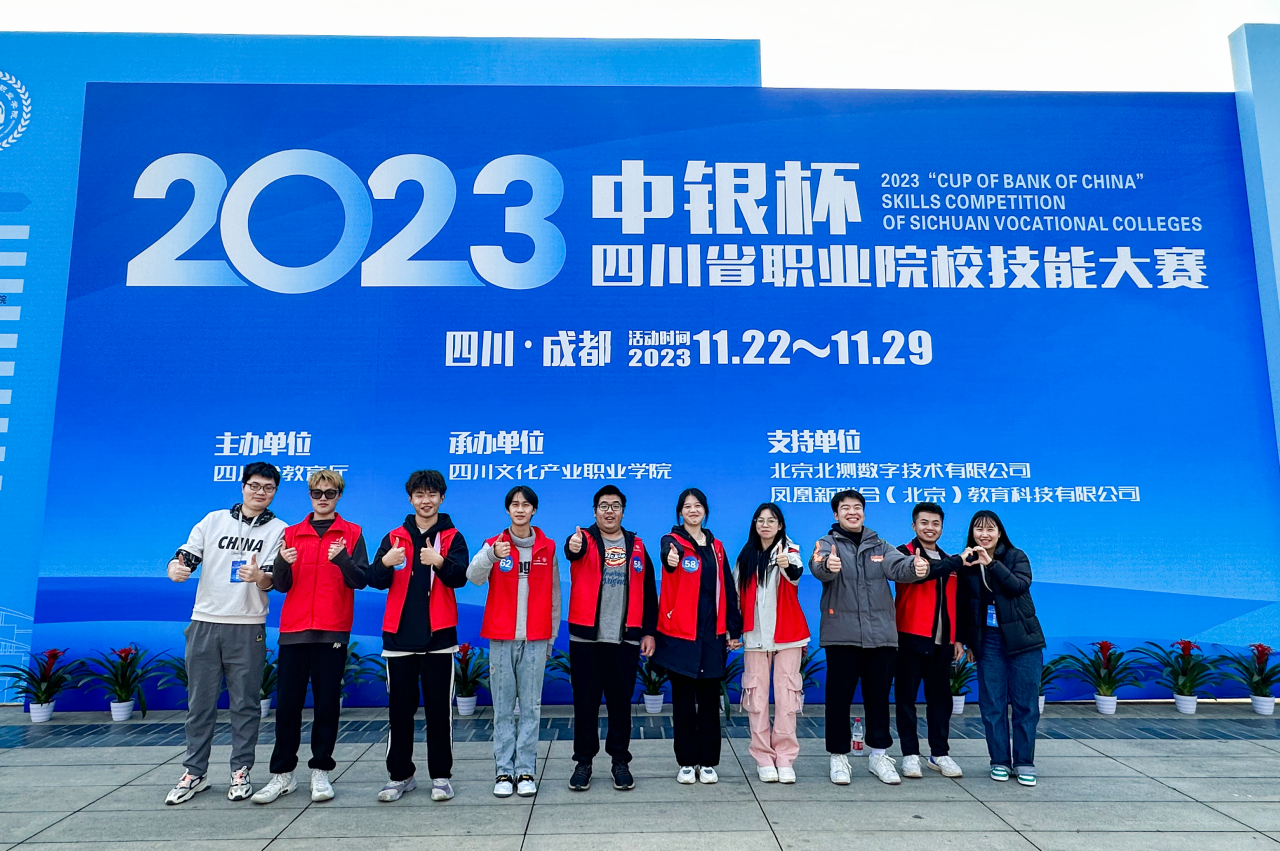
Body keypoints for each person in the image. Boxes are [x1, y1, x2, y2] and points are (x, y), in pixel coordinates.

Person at [163, 462, 287, 805]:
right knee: (199, 704)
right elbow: (185, 557)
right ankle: (194, 772)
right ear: (243, 486)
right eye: (255, 485)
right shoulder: (213, 520)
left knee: (245, 704)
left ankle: (241, 770)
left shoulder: (280, 529)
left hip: (248, 626)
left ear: (275, 492)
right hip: (205, 622)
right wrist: (176, 568)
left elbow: (272, 580)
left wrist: (258, 578)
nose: (260, 492)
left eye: (268, 488)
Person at [253, 469, 369, 804]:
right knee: (288, 706)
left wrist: (342, 559)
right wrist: (283, 563)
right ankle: (282, 775)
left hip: (332, 629)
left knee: (327, 704)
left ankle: (320, 770)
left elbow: (360, 580)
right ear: (310, 495)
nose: (323, 499)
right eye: (317, 493)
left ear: (339, 496)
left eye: (329, 493)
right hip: (294, 630)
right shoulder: (291, 534)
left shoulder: (352, 532)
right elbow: (281, 585)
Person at [808, 489, 929, 787]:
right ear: (836, 514)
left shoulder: (880, 545)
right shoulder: (827, 543)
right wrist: (827, 566)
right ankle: (839, 756)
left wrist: (915, 567)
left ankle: (879, 755)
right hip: (842, 636)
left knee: (878, 698)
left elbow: (898, 567)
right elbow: (818, 565)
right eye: (845, 508)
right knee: (838, 700)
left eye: (857, 507)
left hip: (881, 637)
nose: (852, 512)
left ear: (863, 512)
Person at [367, 469, 471, 803]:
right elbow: (375, 580)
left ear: (442, 498)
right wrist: (385, 562)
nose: (426, 501)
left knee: (440, 712)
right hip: (399, 639)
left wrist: (440, 561)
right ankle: (400, 775)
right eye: (419, 495)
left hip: (439, 638)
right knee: (399, 712)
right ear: (410, 499)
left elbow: (460, 578)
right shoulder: (394, 536)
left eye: (432, 495)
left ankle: (441, 776)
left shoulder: (453, 537)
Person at [563, 485, 658, 792]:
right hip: (586, 641)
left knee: (620, 705)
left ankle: (620, 762)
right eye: (603, 506)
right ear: (594, 512)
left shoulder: (637, 545)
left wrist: (648, 631)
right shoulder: (583, 539)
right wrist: (572, 545)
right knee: (585, 704)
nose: (609, 511)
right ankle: (583, 763)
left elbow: (649, 592)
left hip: (624, 640)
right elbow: (571, 550)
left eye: (615, 506)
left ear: (623, 512)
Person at [468, 485, 560, 798]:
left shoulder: (547, 547)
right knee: (503, 709)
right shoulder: (494, 544)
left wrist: (551, 638)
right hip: (502, 638)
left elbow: (554, 596)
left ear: (534, 510)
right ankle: (504, 771)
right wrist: (492, 555)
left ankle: (526, 770)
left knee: (531, 708)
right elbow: (473, 576)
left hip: (535, 639)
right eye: (515, 504)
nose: (520, 509)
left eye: (526, 505)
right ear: (508, 509)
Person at [654, 487, 742, 786]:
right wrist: (671, 559)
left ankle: (708, 762)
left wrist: (733, 629)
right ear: (680, 512)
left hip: (711, 636)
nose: (693, 510)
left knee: (708, 703)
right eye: (687, 506)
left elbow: (728, 588)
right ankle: (686, 762)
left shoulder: (717, 547)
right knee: (682, 703)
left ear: (705, 510)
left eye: (698, 505)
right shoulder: (672, 540)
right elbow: (668, 557)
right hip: (681, 636)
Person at [956, 510, 1045, 787]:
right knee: (992, 704)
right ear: (972, 533)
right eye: (979, 529)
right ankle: (999, 761)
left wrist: (992, 563)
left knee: (1025, 704)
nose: (984, 534)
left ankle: (1024, 761)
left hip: (1023, 640)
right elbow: (964, 606)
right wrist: (968, 642)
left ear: (999, 532)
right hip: (989, 641)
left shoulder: (1016, 556)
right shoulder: (967, 562)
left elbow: (1018, 586)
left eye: (990, 529)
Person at [894, 502, 969, 780]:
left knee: (941, 701)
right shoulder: (903, 554)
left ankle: (939, 753)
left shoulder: (951, 561)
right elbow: (925, 572)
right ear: (914, 525)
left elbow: (958, 602)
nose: (930, 528)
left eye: (936, 523)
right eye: (924, 522)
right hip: (910, 638)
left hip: (942, 643)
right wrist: (957, 561)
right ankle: (910, 755)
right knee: (906, 700)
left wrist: (958, 638)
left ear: (942, 527)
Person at [734, 502, 807, 784]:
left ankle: (785, 758)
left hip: (788, 636)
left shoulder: (790, 551)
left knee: (787, 698)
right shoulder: (745, 557)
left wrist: (787, 563)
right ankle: (763, 757)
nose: (765, 525)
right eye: (760, 520)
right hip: (754, 637)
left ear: (780, 525)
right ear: (754, 525)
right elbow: (736, 597)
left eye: (771, 520)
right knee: (756, 699)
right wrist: (733, 632)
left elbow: (795, 572)